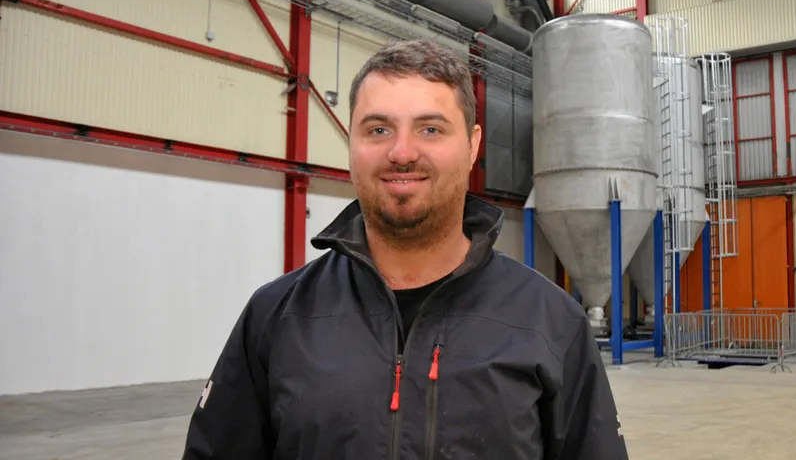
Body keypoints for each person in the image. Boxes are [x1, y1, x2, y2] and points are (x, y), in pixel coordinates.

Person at [181, 39, 629, 460]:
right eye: (378, 129)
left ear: (472, 146)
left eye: (430, 129)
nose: (401, 152)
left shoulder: (550, 322)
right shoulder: (276, 316)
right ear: (352, 145)